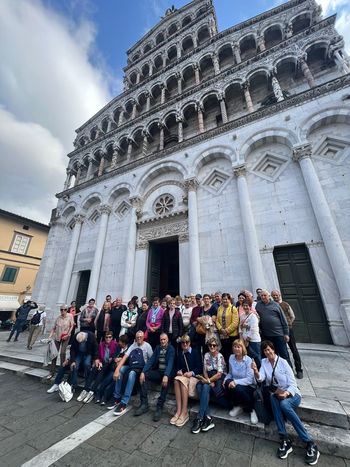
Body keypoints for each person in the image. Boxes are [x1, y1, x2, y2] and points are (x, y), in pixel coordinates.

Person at [251, 341, 320, 464]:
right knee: (273, 398)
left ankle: (310, 443)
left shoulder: (283, 362)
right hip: (277, 394)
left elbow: (293, 384)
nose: (268, 352)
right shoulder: (264, 363)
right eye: (265, 350)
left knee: (284, 404)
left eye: (269, 349)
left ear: (273, 349)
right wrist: (256, 371)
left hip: (292, 394)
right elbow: (261, 378)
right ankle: (284, 439)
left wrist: (286, 394)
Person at [111, 330, 153, 415]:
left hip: (141, 368)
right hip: (132, 366)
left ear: (143, 337)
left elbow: (151, 360)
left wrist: (145, 372)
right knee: (121, 369)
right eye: (137, 337)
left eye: (141, 337)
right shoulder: (133, 346)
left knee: (131, 374)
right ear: (135, 338)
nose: (139, 338)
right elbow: (125, 358)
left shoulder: (147, 346)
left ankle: (124, 402)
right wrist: (117, 370)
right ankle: (117, 397)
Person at [136, 333, 175, 421]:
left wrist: (166, 375)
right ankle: (144, 404)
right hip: (158, 372)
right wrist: (143, 372)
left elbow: (170, 363)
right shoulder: (158, 348)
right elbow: (151, 360)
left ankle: (159, 407)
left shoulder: (171, 349)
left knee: (166, 382)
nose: (163, 341)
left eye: (164, 339)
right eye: (161, 339)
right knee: (144, 376)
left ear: (167, 340)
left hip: (167, 373)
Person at [191, 337, 227, 434]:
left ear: (217, 346)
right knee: (199, 386)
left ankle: (199, 418)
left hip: (218, 379)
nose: (212, 347)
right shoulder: (206, 355)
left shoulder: (220, 356)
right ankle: (208, 417)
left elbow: (219, 374)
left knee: (205, 386)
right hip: (209, 377)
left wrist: (209, 381)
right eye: (210, 345)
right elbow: (204, 370)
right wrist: (207, 379)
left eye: (214, 345)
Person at [224, 339, 258, 425]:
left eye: (239, 347)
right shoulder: (231, 357)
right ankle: (238, 406)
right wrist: (225, 380)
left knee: (237, 387)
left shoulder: (248, 360)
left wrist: (235, 382)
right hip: (236, 384)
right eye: (235, 346)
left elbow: (249, 379)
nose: (236, 349)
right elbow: (230, 373)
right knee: (227, 383)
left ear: (243, 348)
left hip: (249, 386)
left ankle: (252, 410)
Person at [171, 335, 202, 427]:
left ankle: (185, 412)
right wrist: (178, 371)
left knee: (181, 381)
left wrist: (191, 373)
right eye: (183, 342)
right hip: (184, 377)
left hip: (193, 378)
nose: (185, 344)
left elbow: (200, 367)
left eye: (187, 342)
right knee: (176, 380)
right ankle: (179, 410)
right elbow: (177, 367)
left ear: (190, 343)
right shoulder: (180, 353)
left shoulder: (195, 352)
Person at [271, 290, 303, 379]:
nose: (275, 297)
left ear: (279, 295)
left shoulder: (285, 304)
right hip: (278, 331)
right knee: (282, 352)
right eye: (273, 295)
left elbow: (292, 316)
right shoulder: (272, 305)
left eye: (276, 295)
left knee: (293, 349)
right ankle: (288, 370)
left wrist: (288, 324)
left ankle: (299, 369)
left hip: (288, 330)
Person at [256, 290, 292, 367]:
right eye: (261, 296)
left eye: (265, 295)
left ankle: (289, 372)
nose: (263, 297)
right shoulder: (258, 305)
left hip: (278, 334)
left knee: (283, 354)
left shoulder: (276, 305)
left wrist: (286, 333)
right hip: (267, 335)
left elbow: (283, 319)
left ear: (269, 296)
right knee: (270, 355)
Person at [81, 331, 118, 403]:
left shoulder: (115, 344)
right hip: (103, 363)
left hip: (110, 365)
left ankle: (92, 391)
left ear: (112, 338)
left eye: (110, 337)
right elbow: (98, 355)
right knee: (94, 369)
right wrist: (99, 362)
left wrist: (112, 358)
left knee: (101, 371)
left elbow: (116, 355)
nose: (108, 339)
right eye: (106, 337)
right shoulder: (101, 344)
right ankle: (85, 389)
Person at [47, 305, 74, 378]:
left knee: (62, 353)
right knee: (54, 354)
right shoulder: (58, 318)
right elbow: (54, 328)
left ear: (67, 310)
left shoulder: (70, 316)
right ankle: (51, 372)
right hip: (57, 337)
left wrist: (68, 334)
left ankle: (62, 370)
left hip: (66, 337)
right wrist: (50, 336)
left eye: (64, 309)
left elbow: (72, 326)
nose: (63, 311)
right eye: (61, 310)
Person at [72, 331, 99, 400]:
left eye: (82, 342)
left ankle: (87, 382)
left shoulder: (91, 336)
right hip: (79, 353)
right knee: (75, 366)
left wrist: (95, 358)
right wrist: (73, 361)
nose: (80, 343)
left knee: (87, 364)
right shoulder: (75, 336)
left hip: (88, 353)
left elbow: (95, 347)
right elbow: (72, 349)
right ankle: (74, 385)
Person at [216, 293, 239, 364]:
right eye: (223, 299)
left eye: (226, 299)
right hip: (222, 336)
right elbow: (217, 320)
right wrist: (221, 329)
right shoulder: (220, 308)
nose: (225, 301)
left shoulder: (233, 308)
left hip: (231, 336)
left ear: (229, 300)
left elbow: (235, 322)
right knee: (224, 353)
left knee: (232, 354)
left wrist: (226, 331)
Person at [239, 300, 261, 367]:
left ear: (250, 306)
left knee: (256, 357)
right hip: (245, 340)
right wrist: (241, 339)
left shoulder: (253, 316)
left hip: (253, 340)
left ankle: (260, 374)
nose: (245, 307)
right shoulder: (242, 316)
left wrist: (247, 340)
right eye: (244, 306)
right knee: (248, 358)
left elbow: (254, 329)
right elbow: (240, 327)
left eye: (247, 306)